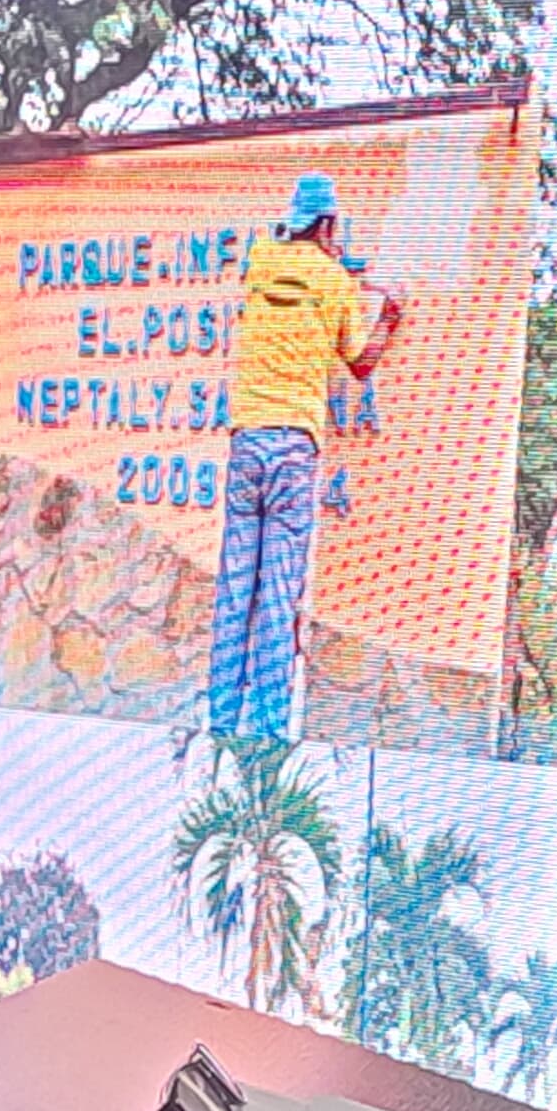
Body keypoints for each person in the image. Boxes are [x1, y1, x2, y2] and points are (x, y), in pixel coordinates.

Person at [208, 170, 400, 743]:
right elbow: (359, 363)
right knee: (277, 595)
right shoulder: (335, 280)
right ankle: (266, 732)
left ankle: (219, 722)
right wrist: (388, 316)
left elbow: (277, 249)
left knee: (235, 589)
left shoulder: (261, 261)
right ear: (329, 224)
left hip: (246, 441)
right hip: (295, 445)